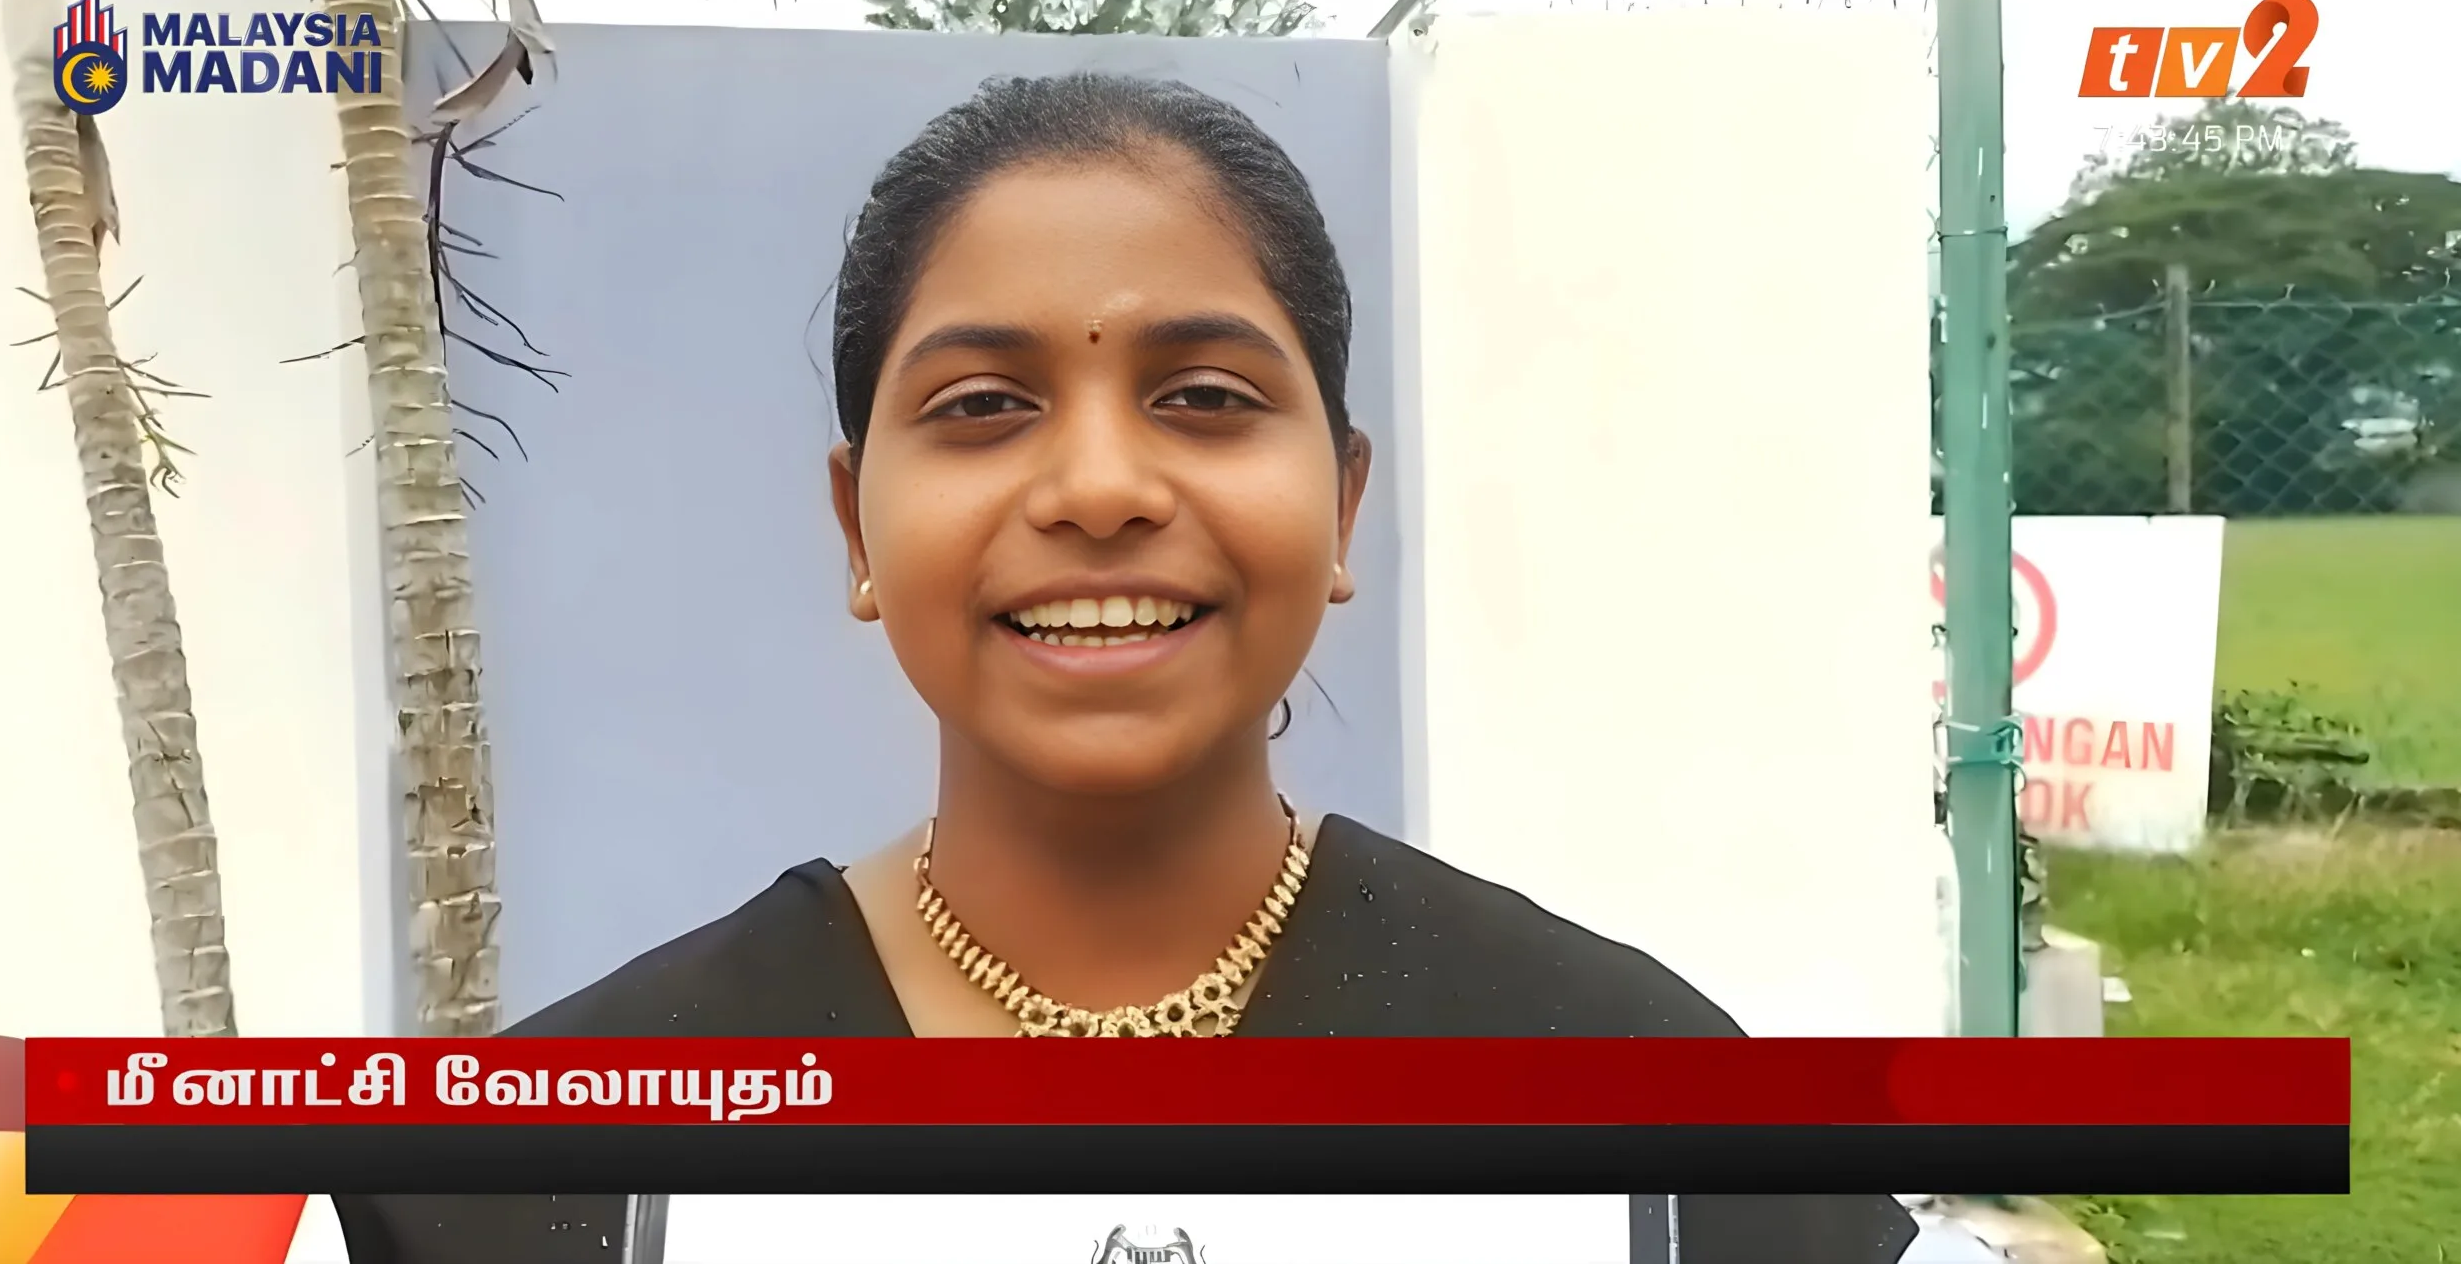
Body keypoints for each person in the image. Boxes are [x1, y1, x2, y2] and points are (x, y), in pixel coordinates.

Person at [336, 72, 1917, 1263]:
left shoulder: (1659, 1119)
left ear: (1343, 503)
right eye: (982, 407)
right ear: (855, 526)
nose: (1099, 488)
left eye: (1207, 397)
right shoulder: (539, 1173)